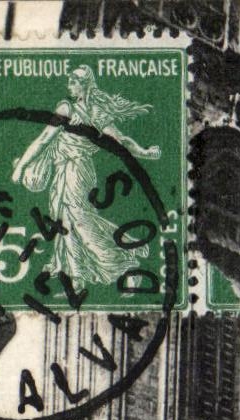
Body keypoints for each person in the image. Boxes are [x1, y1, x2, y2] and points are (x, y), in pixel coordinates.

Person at [11, 65, 161, 288]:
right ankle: (73, 271)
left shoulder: (68, 108)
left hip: (74, 172)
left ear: (85, 85)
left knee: (79, 220)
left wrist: (20, 167)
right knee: (64, 218)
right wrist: (143, 152)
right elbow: (121, 141)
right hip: (73, 170)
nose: (69, 85)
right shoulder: (95, 112)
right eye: (69, 81)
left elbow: (44, 139)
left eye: (73, 81)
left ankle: (122, 262)